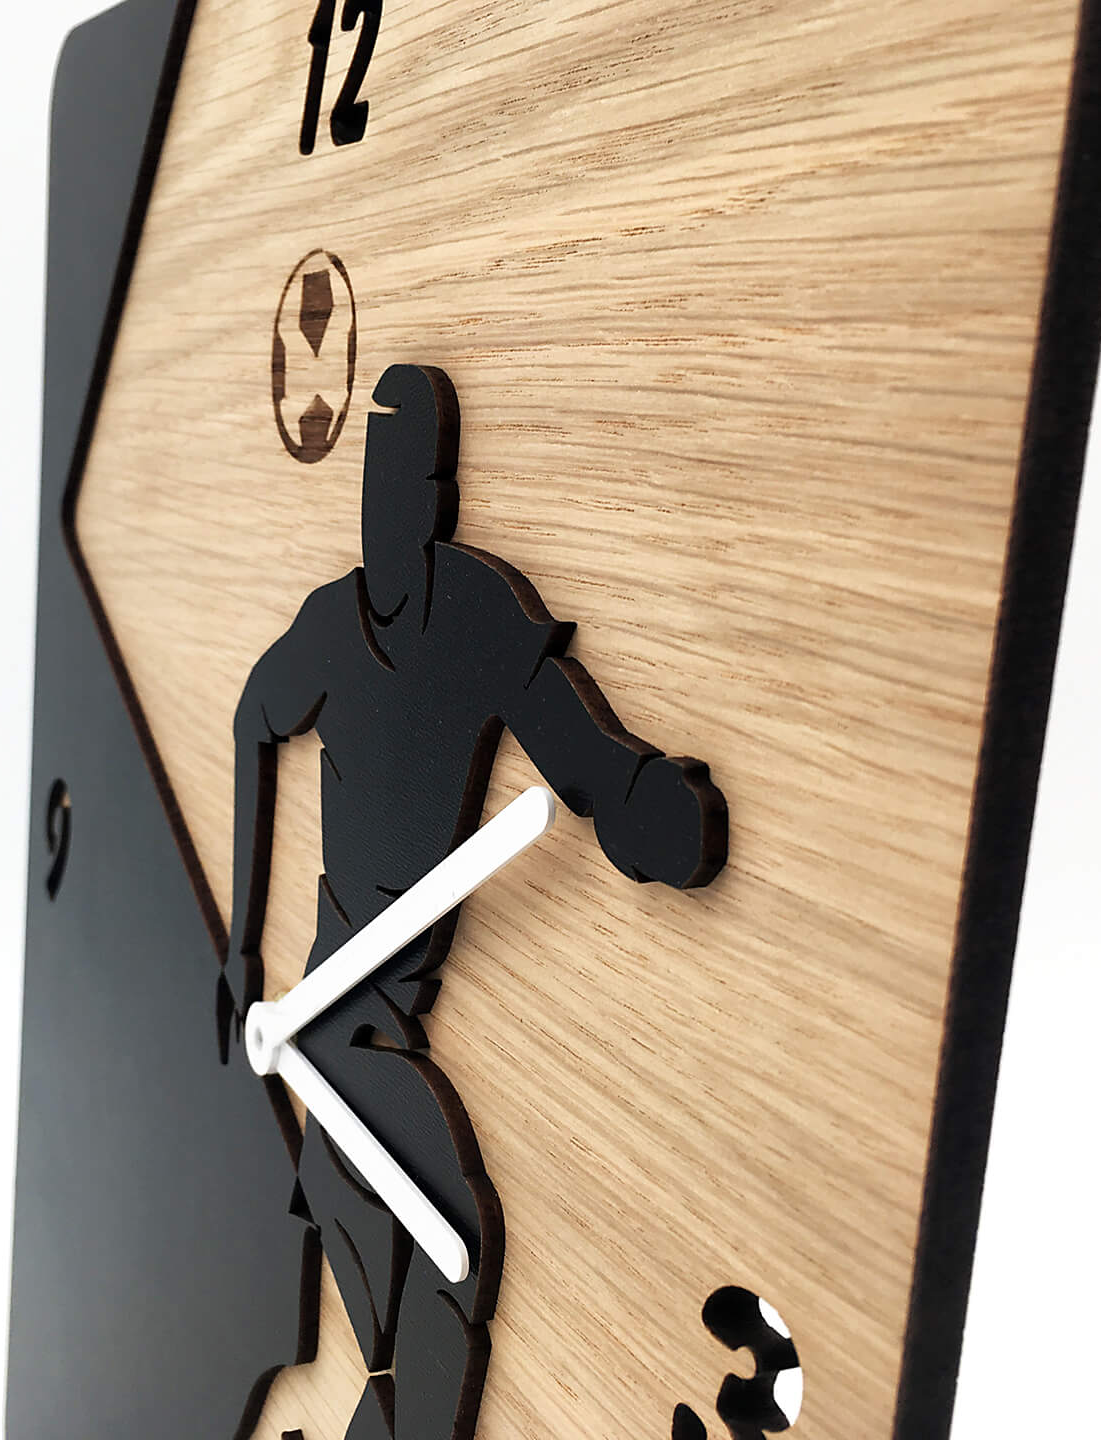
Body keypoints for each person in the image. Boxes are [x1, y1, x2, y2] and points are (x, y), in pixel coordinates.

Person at [219, 364, 726, 1440]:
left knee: (422, 1325)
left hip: (365, 1030)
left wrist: (639, 802)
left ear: (437, 494)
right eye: (376, 481)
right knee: (444, 1274)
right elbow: (251, 723)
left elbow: (577, 746)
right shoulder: (331, 625)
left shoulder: (476, 615)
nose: (388, 511)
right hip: (328, 1029)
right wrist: (238, 949)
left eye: (411, 483)